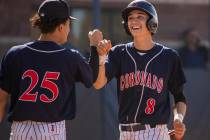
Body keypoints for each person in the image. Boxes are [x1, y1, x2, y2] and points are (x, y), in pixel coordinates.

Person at [89, 0, 187, 140]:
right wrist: (101, 57)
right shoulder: (118, 52)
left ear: (152, 22)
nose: (134, 21)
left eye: (140, 16)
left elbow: (179, 97)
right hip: (125, 132)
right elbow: (98, 84)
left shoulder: (169, 56)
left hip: (154, 132)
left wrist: (178, 119)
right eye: (130, 18)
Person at [0, 0, 93, 139]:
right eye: (68, 24)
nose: (69, 29)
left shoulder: (14, 53)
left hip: (20, 130)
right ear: (61, 27)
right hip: (51, 131)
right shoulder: (70, 57)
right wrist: (96, 49)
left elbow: (1, 98)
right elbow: (93, 78)